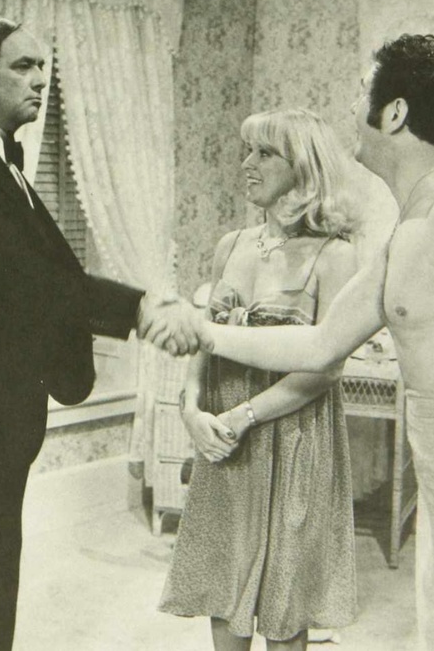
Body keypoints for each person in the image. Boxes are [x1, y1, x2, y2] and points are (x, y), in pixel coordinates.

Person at [183, 35, 434, 650]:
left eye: (359, 95)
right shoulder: (414, 221)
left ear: (393, 113)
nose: (351, 112)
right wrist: (203, 332)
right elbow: (321, 344)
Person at [0, 17, 191, 650]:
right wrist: (140, 309)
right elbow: (33, 284)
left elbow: (46, 276)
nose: (41, 79)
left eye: (43, 66)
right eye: (23, 67)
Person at [158, 108, 358, 651]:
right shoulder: (231, 245)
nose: (247, 163)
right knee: (224, 585)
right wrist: (191, 410)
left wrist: (245, 415)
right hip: (223, 434)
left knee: (285, 600)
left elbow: (325, 367)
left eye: (265, 153)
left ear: (304, 167)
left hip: (293, 437)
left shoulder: (334, 255)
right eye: (247, 150)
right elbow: (204, 339)